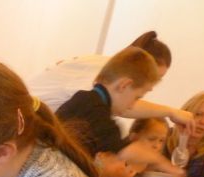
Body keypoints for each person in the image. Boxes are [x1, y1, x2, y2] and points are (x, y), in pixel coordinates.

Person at [28, 31, 193, 134]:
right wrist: (171, 112)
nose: (152, 86)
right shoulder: (100, 70)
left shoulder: (104, 71)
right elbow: (126, 108)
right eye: (153, 77)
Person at [56, 47, 182, 177]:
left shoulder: (87, 100)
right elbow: (127, 151)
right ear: (124, 85)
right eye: (136, 97)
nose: (132, 105)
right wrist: (166, 165)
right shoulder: (95, 111)